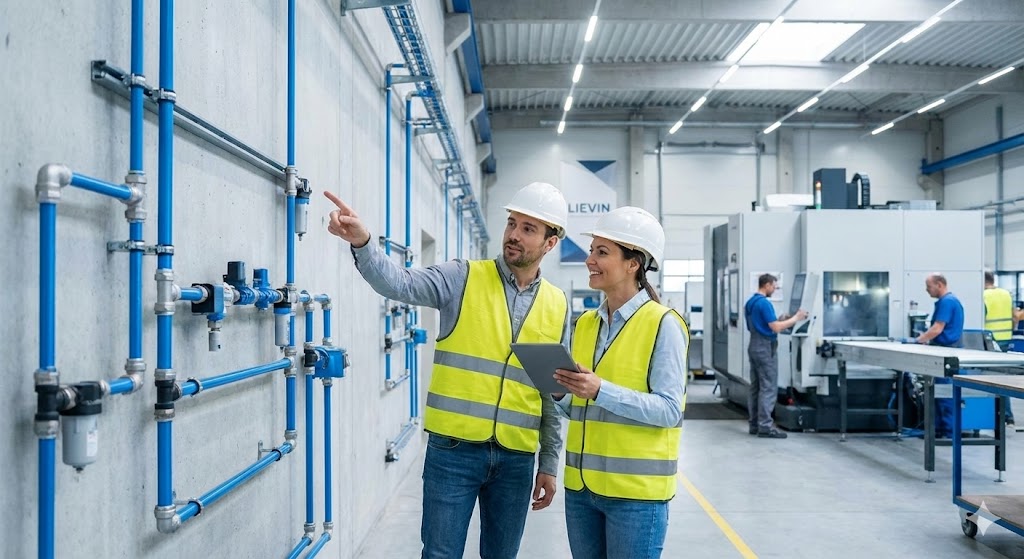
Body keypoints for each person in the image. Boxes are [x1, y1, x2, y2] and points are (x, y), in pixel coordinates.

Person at [325, 182, 570, 559]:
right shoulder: (463, 277)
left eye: (528, 229)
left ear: (550, 243)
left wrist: (549, 464)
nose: (514, 235)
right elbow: (399, 283)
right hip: (453, 452)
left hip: (516, 460)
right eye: (511, 223)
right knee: (440, 554)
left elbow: (551, 393)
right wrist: (364, 243)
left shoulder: (557, 305)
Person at [551, 207, 688, 559]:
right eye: (591, 250)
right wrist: (559, 392)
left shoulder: (663, 324)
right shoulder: (585, 325)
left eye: (601, 252)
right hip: (582, 489)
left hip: (636, 496)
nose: (589, 260)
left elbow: (670, 411)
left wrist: (600, 390)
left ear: (634, 263)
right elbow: (580, 406)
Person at [744, 274, 807, 439]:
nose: (775, 289)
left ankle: (754, 425)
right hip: (765, 347)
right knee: (768, 387)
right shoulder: (764, 303)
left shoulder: (750, 303)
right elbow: (775, 328)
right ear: (766, 285)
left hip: (754, 345)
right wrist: (795, 318)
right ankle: (765, 427)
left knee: (756, 387)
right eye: (774, 286)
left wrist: (782, 319)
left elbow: (764, 323)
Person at [915, 273, 964, 438]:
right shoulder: (946, 302)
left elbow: (937, 328)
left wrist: (918, 340)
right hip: (941, 352)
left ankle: (949, 432)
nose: (927, 290)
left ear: (939, 284)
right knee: (937, 393)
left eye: (929, 286)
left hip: (946, 354)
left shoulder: (948, 302)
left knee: (945, 394)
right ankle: (938, 429)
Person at [984, 270, 1016, 426]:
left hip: (990, 341)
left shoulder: (984, 295)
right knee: (1002, 378)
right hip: (1006, 339)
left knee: (991, 379)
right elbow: (1015, 316)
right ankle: (1007, 416)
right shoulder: (1005, 294)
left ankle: (1002, 415)